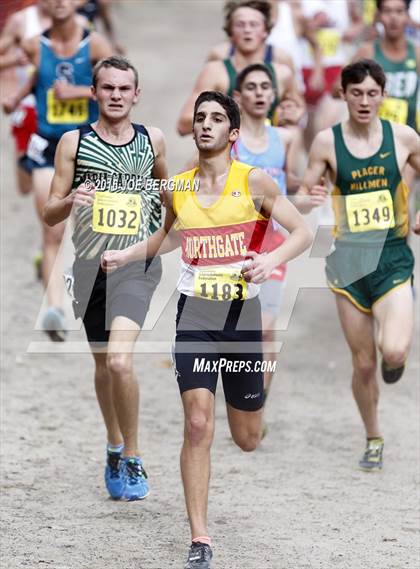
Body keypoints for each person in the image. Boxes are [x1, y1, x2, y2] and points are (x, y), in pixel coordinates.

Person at [102, 90, 312, 568]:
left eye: (217, 118)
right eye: (200, 118)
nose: (205, 125)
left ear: (233, 133)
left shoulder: (254, 181)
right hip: (196, 315)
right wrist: (128, 254)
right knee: (197, 424)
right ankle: (200, 538)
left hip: (242, 318)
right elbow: (171, 234)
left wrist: (270, 259)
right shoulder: (177, 186)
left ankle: (257, 401)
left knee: (247, 437)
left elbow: (301, 232)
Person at [43, 55, 167, 501]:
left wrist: (165, 238)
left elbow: (165, 191)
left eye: (124, 88)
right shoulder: (73, 143)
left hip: (136, 266)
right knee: (102, 365)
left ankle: (133, 454)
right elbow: (49, 210)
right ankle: (114, 443)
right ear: (94, 93)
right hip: (89, 267)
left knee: (119, 361)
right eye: (108, 88)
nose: (116, 96)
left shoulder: (153, 140)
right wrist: (73, 198)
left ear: (136, 94)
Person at [296, 59, 420, 471]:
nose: (364, 101)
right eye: (356, 93)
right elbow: (305, 189)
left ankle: (393, 361)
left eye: (372, 93)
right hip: (348, 262)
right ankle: (373, 436)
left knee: (396, 351)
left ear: (383, 96)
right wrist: (308, 197)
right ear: (343, 95)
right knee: (362, 363)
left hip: (392, 257)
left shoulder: (403, 137)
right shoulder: (327, 143)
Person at [3, 0, 112, 341]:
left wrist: (78, 92)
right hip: (47, 145)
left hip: (87, 148)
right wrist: (17, 95)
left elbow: (119, 87)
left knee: (92, 232)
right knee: (51, 228)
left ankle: (96, 298)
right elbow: (30, 70)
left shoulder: (93, 43)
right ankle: (55, 309)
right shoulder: (35, 44)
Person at [232, 62, 301, 407]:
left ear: (274, 95)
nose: (259, 93)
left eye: (265, 87)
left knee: (264, 327)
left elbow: (295, 182)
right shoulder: (228, 141)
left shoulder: (285, 138)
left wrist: (310, 192)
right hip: (231, 245)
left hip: (272, 244)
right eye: (252, 87)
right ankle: (245, 388)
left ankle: (257, 398)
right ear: (238, 96)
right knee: (239, 329)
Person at [177, 0, 304, 135]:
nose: (247, 30)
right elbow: (183, 126)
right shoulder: (215, 71)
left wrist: (293, 115)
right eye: (240, 25)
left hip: (269, 151)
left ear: (265, 31)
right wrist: (227, 114)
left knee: (294, 134)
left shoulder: (282, 72)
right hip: (227, 152)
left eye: (253, 25)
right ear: (230, 31)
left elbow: (300, 110)